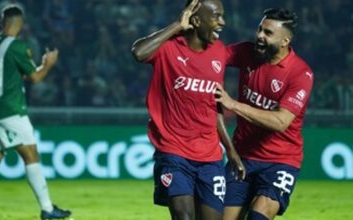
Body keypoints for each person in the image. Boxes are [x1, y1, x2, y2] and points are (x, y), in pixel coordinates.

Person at [131, 0, 245, 219]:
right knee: (184, 217)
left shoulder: (219, 52)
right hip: (174, 153)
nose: (222, 22)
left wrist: (230, 151)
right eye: (216, 16)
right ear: (195, 21)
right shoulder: (167, 48)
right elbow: (138, 52)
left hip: (210, 156)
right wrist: (176, 24)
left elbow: (214, 107)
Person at [0, 5, 71, 220]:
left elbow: (8, 75)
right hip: (11, 111)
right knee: (31, 155)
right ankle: (47, 209)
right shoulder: (17, 47)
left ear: (2, 22)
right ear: (20, 24)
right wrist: (47, 64)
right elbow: (35, 78)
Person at [214, 8, 314, 220]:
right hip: (241, 157)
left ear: (285, 41)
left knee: (257, 216)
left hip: (280, 160)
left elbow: (281, 121)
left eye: (268, 33)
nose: (259, 35)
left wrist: (233, 104)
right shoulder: (246, 52)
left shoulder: (300, 74)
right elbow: (211, 56)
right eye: (260, 29)